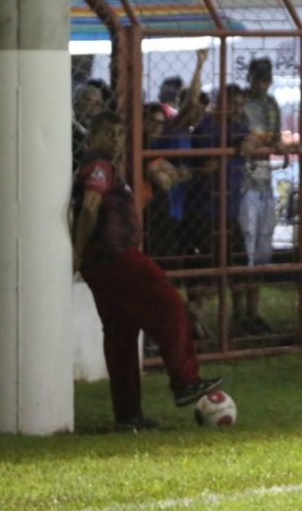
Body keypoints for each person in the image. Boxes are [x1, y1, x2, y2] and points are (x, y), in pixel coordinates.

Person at [71, 111, 222, 431]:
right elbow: (88, 208)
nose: (115, 140)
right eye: (108, 133)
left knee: (120, 335)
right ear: (92, 136)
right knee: (170, 306)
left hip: (102, 264)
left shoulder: (103, 166)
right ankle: (185, 381)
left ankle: (128, 415)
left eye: (120, 134)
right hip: (117, 258)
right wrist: (78, 251)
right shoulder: (98, 166)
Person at [235, 57, 293, 335]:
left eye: (266, 79)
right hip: (244, 183)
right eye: (258, 78)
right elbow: (239, 138)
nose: (262, 83)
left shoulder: (271, 105)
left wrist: (276, 144)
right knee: (244, 247)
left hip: (263, 182)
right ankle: (238, 314)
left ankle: (252, 312)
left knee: (261, 250)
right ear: (250, 77)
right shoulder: (240, 104)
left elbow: (272, 138)